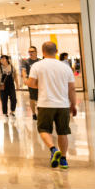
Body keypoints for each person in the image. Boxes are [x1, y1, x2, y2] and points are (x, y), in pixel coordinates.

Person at [27, 41, 77, 169]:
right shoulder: (65, 67)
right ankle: (64, 160)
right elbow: (71, 88)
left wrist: (40, 85)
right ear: (56, 51)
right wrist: (73, 104)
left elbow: (31, 83)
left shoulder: (37, 66)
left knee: (43, 129)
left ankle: (53, 149)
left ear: (42, 52)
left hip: (45, 104)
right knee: (63, 132)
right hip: (63, 104)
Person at [20, 45, 41, 120]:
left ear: (36, 52)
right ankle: (34, 114)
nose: (30, 53)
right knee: (32, 98)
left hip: (40, 82)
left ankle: (40, 112)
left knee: (40, 98)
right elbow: (23, 71)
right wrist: (25, 79)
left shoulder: (40, 61)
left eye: (32, 51)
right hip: (31, 82)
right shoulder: (26, 62)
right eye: (29, 51)